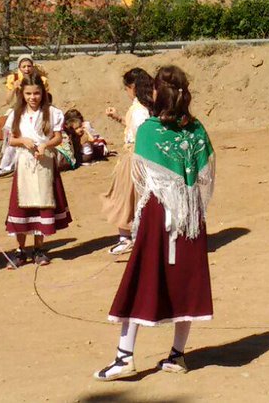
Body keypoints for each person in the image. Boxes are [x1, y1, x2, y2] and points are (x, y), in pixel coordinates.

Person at [95, 66, 215, 381]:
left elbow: (142, 177)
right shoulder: (197, 129)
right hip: (190, 217)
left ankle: (124, 357)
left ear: (158, 94)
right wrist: (189, 200)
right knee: (186, 281)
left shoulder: (149, 130)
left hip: (159, 213)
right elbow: (205, 175)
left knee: (140, 278)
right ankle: (177, 355)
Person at [3, 71, 72, 267]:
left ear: (43, 93)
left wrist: (45, 145)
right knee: (22, 207)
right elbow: (11, 139)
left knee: (43, 204)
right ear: (22, 95)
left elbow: (58, 137)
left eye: (36, 93)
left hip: (44, 163)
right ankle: (19, 250)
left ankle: (39, 248)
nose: (33, 98)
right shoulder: (16, 114)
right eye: (28, 94)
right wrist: (23, 140)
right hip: (24, 164)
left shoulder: (52, 113)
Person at [101, 68, 154, 256]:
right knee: (132, 197)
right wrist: (118, 118)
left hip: (135, 157)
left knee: (126, 197)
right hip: (138, 156)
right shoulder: (144, 107)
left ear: (132, 87)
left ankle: (127, 238)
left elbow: (141, 133)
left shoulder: (139, 109)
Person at [0, 58, 49, 177]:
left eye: (29, 66)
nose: (26, 69)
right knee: (4, 124)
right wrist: (14, 88)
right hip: (18, 108)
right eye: (23, 66)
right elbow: (7, 100)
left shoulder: (40, 80)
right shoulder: (14, 79)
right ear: (19, 67)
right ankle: (5, 163)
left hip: (36, 108)